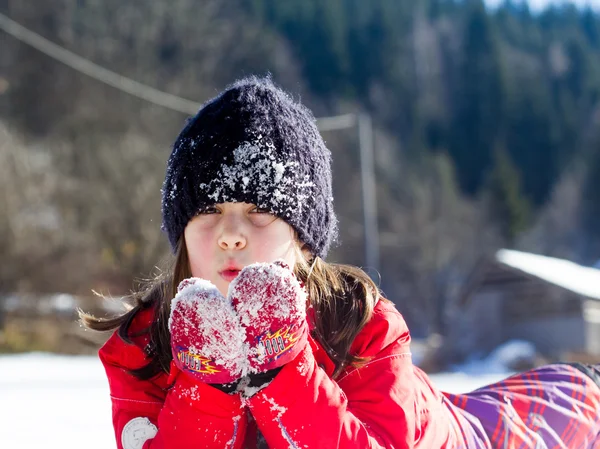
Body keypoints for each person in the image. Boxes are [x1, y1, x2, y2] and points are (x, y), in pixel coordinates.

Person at [82, 76, 600, 449]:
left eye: (260, 211)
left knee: (565, 411)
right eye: (208, 211)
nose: (231, 235)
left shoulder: (361, 321)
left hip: (457, 436)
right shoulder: (144, 346)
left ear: (304, 241)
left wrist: (284, 369)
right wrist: (206, 384)